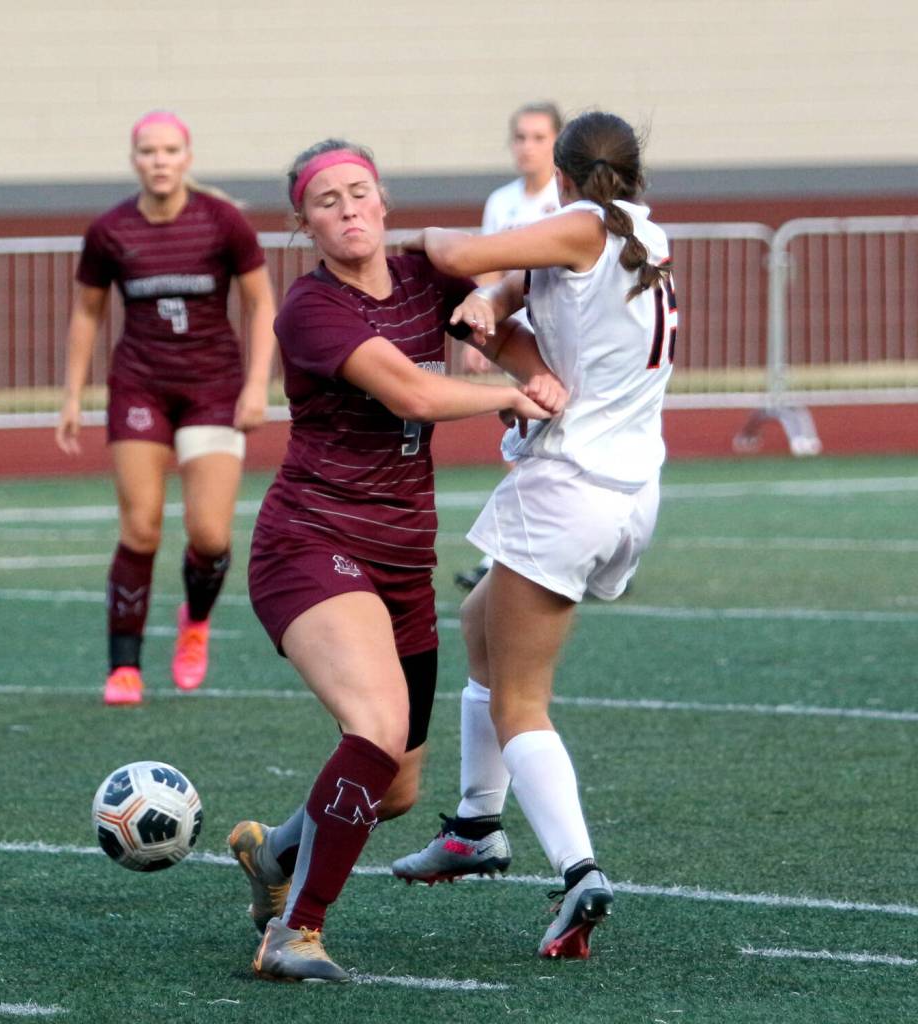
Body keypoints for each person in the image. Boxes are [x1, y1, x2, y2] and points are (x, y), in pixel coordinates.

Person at [227, 138, 566, 983]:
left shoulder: (423, 277)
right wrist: (511, 396)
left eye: (359, 192)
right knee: (373, 730)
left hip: (403, 558)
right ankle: (293, 933)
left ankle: (274, 855)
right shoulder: (309, 308)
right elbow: (412, 391)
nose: (347, 208)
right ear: (302, 223)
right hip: (310, 544)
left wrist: (532, 366)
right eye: (327, 199)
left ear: (383, 203)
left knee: (398, 788)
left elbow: (500, 321)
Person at [390, 110, 677, 961]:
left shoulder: (583, 226)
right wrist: (497, 302)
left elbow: (454, 254)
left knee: (521, 699)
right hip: (628, 486)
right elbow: (534, 293)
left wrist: (390, 236)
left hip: (573, 486)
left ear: (560, 173)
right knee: (480, 619)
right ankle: (478, 822)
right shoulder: (641, 234)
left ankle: (579, 870)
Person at [55, 111, 277, 706]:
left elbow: (261, 303)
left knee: (208, 535)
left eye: (170, 150)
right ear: (134, 159)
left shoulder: (222, 222)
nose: (159, 160)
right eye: (148, 151)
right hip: (140, 388)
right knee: (142, 527)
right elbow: (87, 312)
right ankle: (123, 666)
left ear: (187, 157)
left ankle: (195, 622)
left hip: (212, 389)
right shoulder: (110, 230)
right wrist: (73, 393)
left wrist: (258, 385)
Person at [454, 101, 562, 592]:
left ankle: (595, 551)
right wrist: (481, 331)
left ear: (558, 143)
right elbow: (489, 269)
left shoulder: (569, 202)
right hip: (519, 342)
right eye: (520, 137)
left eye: (538, 137)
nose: (527, 147)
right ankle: (501, 557)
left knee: (565, 440)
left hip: (561, 338)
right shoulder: (502, 202)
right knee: (522, 440)